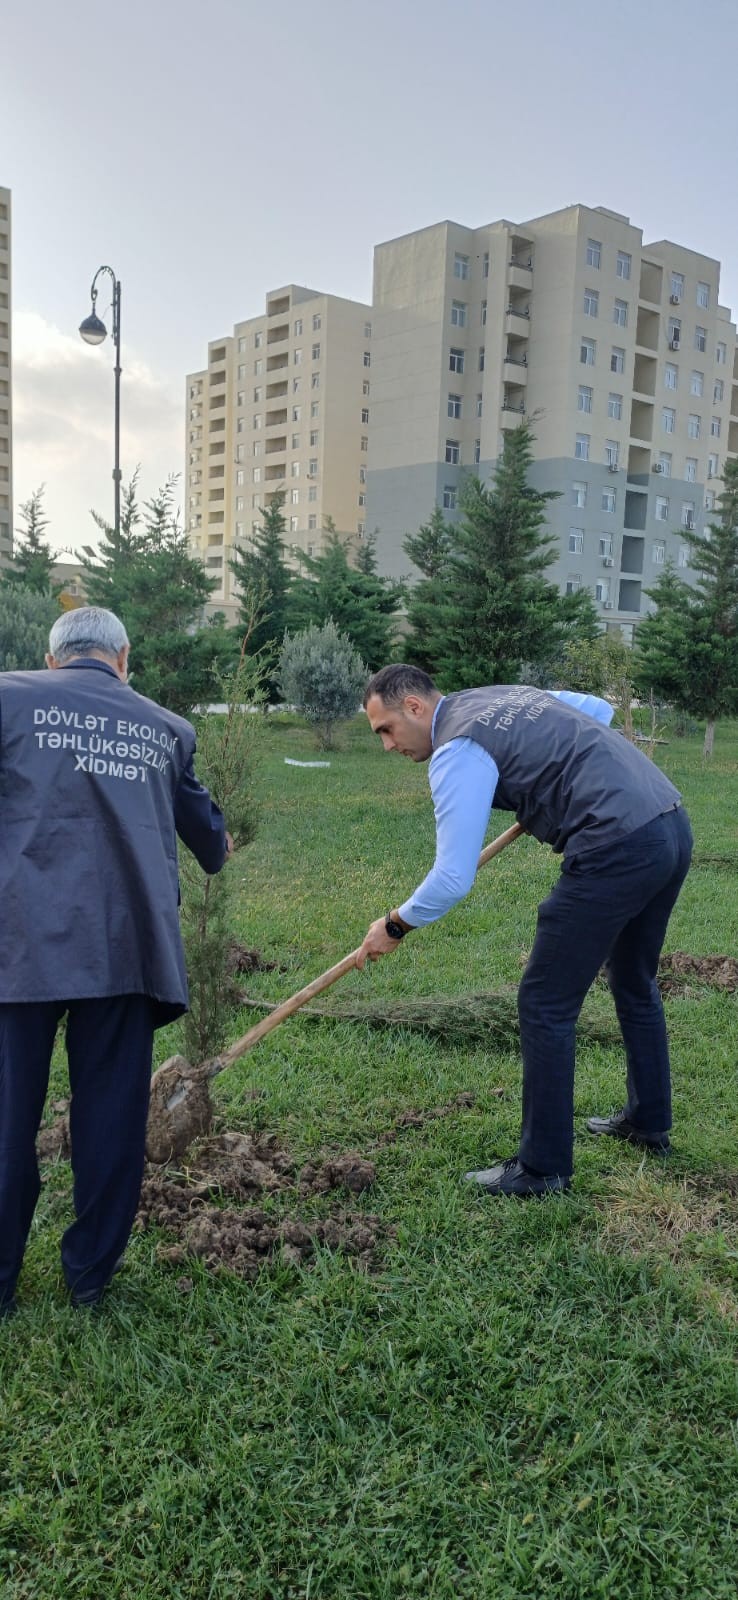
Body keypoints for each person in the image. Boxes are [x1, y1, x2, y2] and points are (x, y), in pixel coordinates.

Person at [357, 665, 693, 1198]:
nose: (387, 745)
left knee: (545, 1003)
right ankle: (648, 1122)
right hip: (668, 823)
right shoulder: (498, 695)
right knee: (634, 980)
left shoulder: (456, 750)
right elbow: (598, 710)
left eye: (386, 729)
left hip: (615, 846)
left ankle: (541, 1169)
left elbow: (452, 878)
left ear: (415, 707)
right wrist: (551, 775)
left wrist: (395, 924)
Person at [0, 607, 232, 1316]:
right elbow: (214, 847)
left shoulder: (8, 697)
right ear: (123, 658)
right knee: (110, 1117)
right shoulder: (166, 727)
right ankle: (90, 1279)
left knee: (6, 1116)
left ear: (52, 657)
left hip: (18, 947)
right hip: (126, 948)